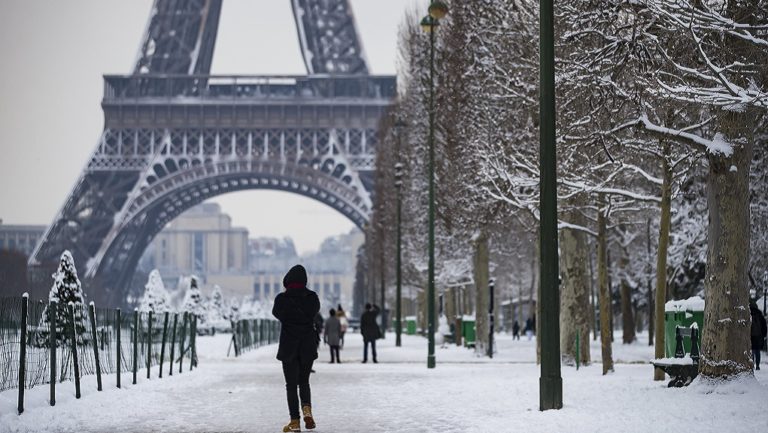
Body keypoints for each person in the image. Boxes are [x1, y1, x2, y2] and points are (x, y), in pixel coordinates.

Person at [272, 264, 320, 432]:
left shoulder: (281, 299)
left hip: (288, 347)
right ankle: (307, 409)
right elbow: (314, 313)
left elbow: (276, 313)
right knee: (304, 381)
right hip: (307, 346)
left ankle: (294, 421)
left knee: (291, 385)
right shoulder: (312, 297)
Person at [750, 300, 767, 370]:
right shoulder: (759, 314)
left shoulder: (748, 314)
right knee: (757, 351)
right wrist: (764, 334)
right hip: (759, 336)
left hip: (750, 336)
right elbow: (764, 325)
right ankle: (757, 365)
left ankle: (752, 364)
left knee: (752, 351)